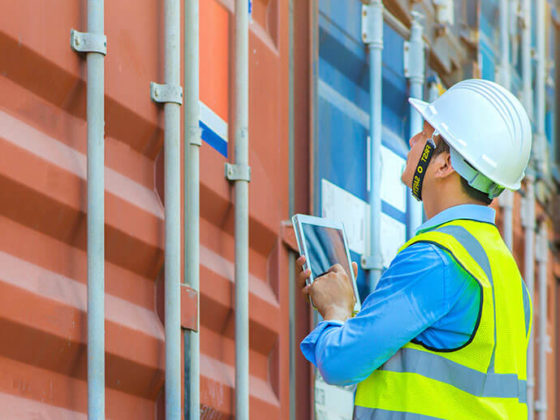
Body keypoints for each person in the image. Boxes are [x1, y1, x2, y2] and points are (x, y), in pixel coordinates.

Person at [297, 79, 533, 419]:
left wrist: (335, 311)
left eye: (425, 134)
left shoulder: (436, 258)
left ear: (443, 165)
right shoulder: (506, 273)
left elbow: (339, 363)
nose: (413, 140)